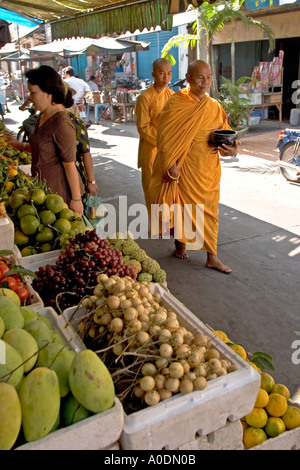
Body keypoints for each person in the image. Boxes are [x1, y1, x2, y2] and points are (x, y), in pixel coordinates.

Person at [148, 60, 239, 274]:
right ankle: (180, 242)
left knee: (210, 211)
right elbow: (164, 137)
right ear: (188, 78)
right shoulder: (176, 103)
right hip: (184, 167)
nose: (205, 82)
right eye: (200, 77)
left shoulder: (213, 106)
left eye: (209, 77)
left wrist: (233, 149)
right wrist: (170, 163)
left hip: (207, 168)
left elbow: (226, 131)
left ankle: (212, 256)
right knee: (182, 207)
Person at [6, 65, 84, 216]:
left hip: (58, 197)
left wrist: (76, 199)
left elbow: (69, 165)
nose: (30, 97)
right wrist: (18, 145)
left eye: (33, 92)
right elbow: (42, 147)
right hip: (41, 192)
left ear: (48, 93)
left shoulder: (61, 123)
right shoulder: (42, 116)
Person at [135, 58, 174, 211]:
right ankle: (156, 222)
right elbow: (143, 127)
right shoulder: (144, 98)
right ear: (153, 74)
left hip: (169, 148)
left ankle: (167, 220)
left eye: (169, 74)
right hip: (151, 148)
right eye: (162, 73)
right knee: (152, 186)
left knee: (168, 184)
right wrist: (161, 141)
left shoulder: (172, 96)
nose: (166, 78)